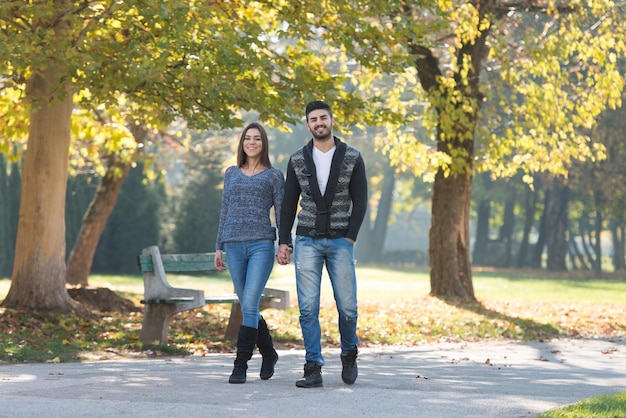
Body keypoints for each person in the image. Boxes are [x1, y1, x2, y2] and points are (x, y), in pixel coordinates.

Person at [277, 100, 368, 388]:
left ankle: (349, 352)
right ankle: (313, 366)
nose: (319, 123)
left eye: (323, 118)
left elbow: (361, 201)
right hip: (307, 241)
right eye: (314, 119)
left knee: (348, 307)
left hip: (341, 241)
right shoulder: (297, 160)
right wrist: (284, 240)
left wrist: (350, 236)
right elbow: (289, 204)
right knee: (307, 307)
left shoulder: (352, 157)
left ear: (331, 120)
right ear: (308, 125)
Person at [214, 122, 284, 384]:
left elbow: (281, 211)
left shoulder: (274, 176)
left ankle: (240, 364)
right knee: (248, 305)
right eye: (247, 138)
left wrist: (284, 244)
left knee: (251, 302)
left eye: (257, 138)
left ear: (263, 143)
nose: (252, 142)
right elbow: (225, 209)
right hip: (232, 245)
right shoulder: (231, 173)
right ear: (242, 143)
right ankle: (268, 352)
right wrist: (218, 245)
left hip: (260, 245)